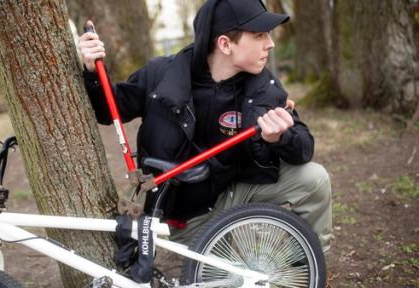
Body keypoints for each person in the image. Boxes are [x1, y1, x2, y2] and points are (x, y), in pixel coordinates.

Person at [78, 0, 332, 252]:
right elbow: (108, 110)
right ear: (225, 44)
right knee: (228, 280)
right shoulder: (161, 74)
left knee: (314, 179)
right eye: (259, 35)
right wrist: (92, 71)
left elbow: (303, 148)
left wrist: (281, 138)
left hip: (233, 191)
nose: (271, 43)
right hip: (187, 214)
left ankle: (305, 268)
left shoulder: (265, 87)